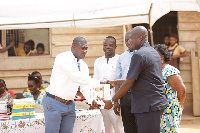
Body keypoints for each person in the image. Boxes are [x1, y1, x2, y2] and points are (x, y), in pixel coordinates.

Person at [104, 26, 168, 133]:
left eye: (131, 39)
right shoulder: (153, 52)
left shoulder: (139, 55)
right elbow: (141, 79)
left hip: (147, 105)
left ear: (140, 38)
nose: (129, 42)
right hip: (155, 103)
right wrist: (115, 83)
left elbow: (130, 82)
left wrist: (112, 100)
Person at [42, 36, 99, 133]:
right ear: (74, 46)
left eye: (86, 49)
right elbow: (76, 77)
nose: (85, 51)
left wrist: (92, 99)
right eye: (83, 48)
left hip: (70, 105)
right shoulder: (63, 58)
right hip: (54, 102)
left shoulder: (83, 65)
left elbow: (84, 86)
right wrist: (100, 82)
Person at [93, 36, 124, 133]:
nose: (108, 47)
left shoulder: (120, 60)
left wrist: (116, 102)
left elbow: (122, 81)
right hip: (102, 102)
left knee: (119, 129)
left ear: (115, 46)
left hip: (115, 102)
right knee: (105, 129)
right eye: (105, 45)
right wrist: (95, 100)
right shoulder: (98, 61)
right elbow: (95, 81)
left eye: (111, 45)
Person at [154, 44, 186, 133]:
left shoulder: (169, 71)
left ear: (161, 57)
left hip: (169, 110)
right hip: (156, 109)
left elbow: (182, 90)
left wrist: (180, 104)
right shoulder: (154, 71)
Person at [115, 30, 138, 133]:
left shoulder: (143, 55)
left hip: (139, 94)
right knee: (128, 127)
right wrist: (116, 101)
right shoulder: (122, 57)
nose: (128, 42)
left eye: (130, 39)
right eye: (126, 40)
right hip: (125, 96)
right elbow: (117, 79)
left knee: (140, 126)